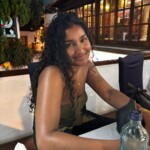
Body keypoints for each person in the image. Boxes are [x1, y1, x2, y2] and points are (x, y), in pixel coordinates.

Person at [30, 12, 150, 150]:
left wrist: (141, 111)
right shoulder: (52, 74)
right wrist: (118, 146)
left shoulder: (87, 66)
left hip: (80, 123)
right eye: (69, 45)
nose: (80, 50)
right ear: (58, 50)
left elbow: (109, 93)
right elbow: (45, 140)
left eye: (82, 40)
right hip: (57, 137)